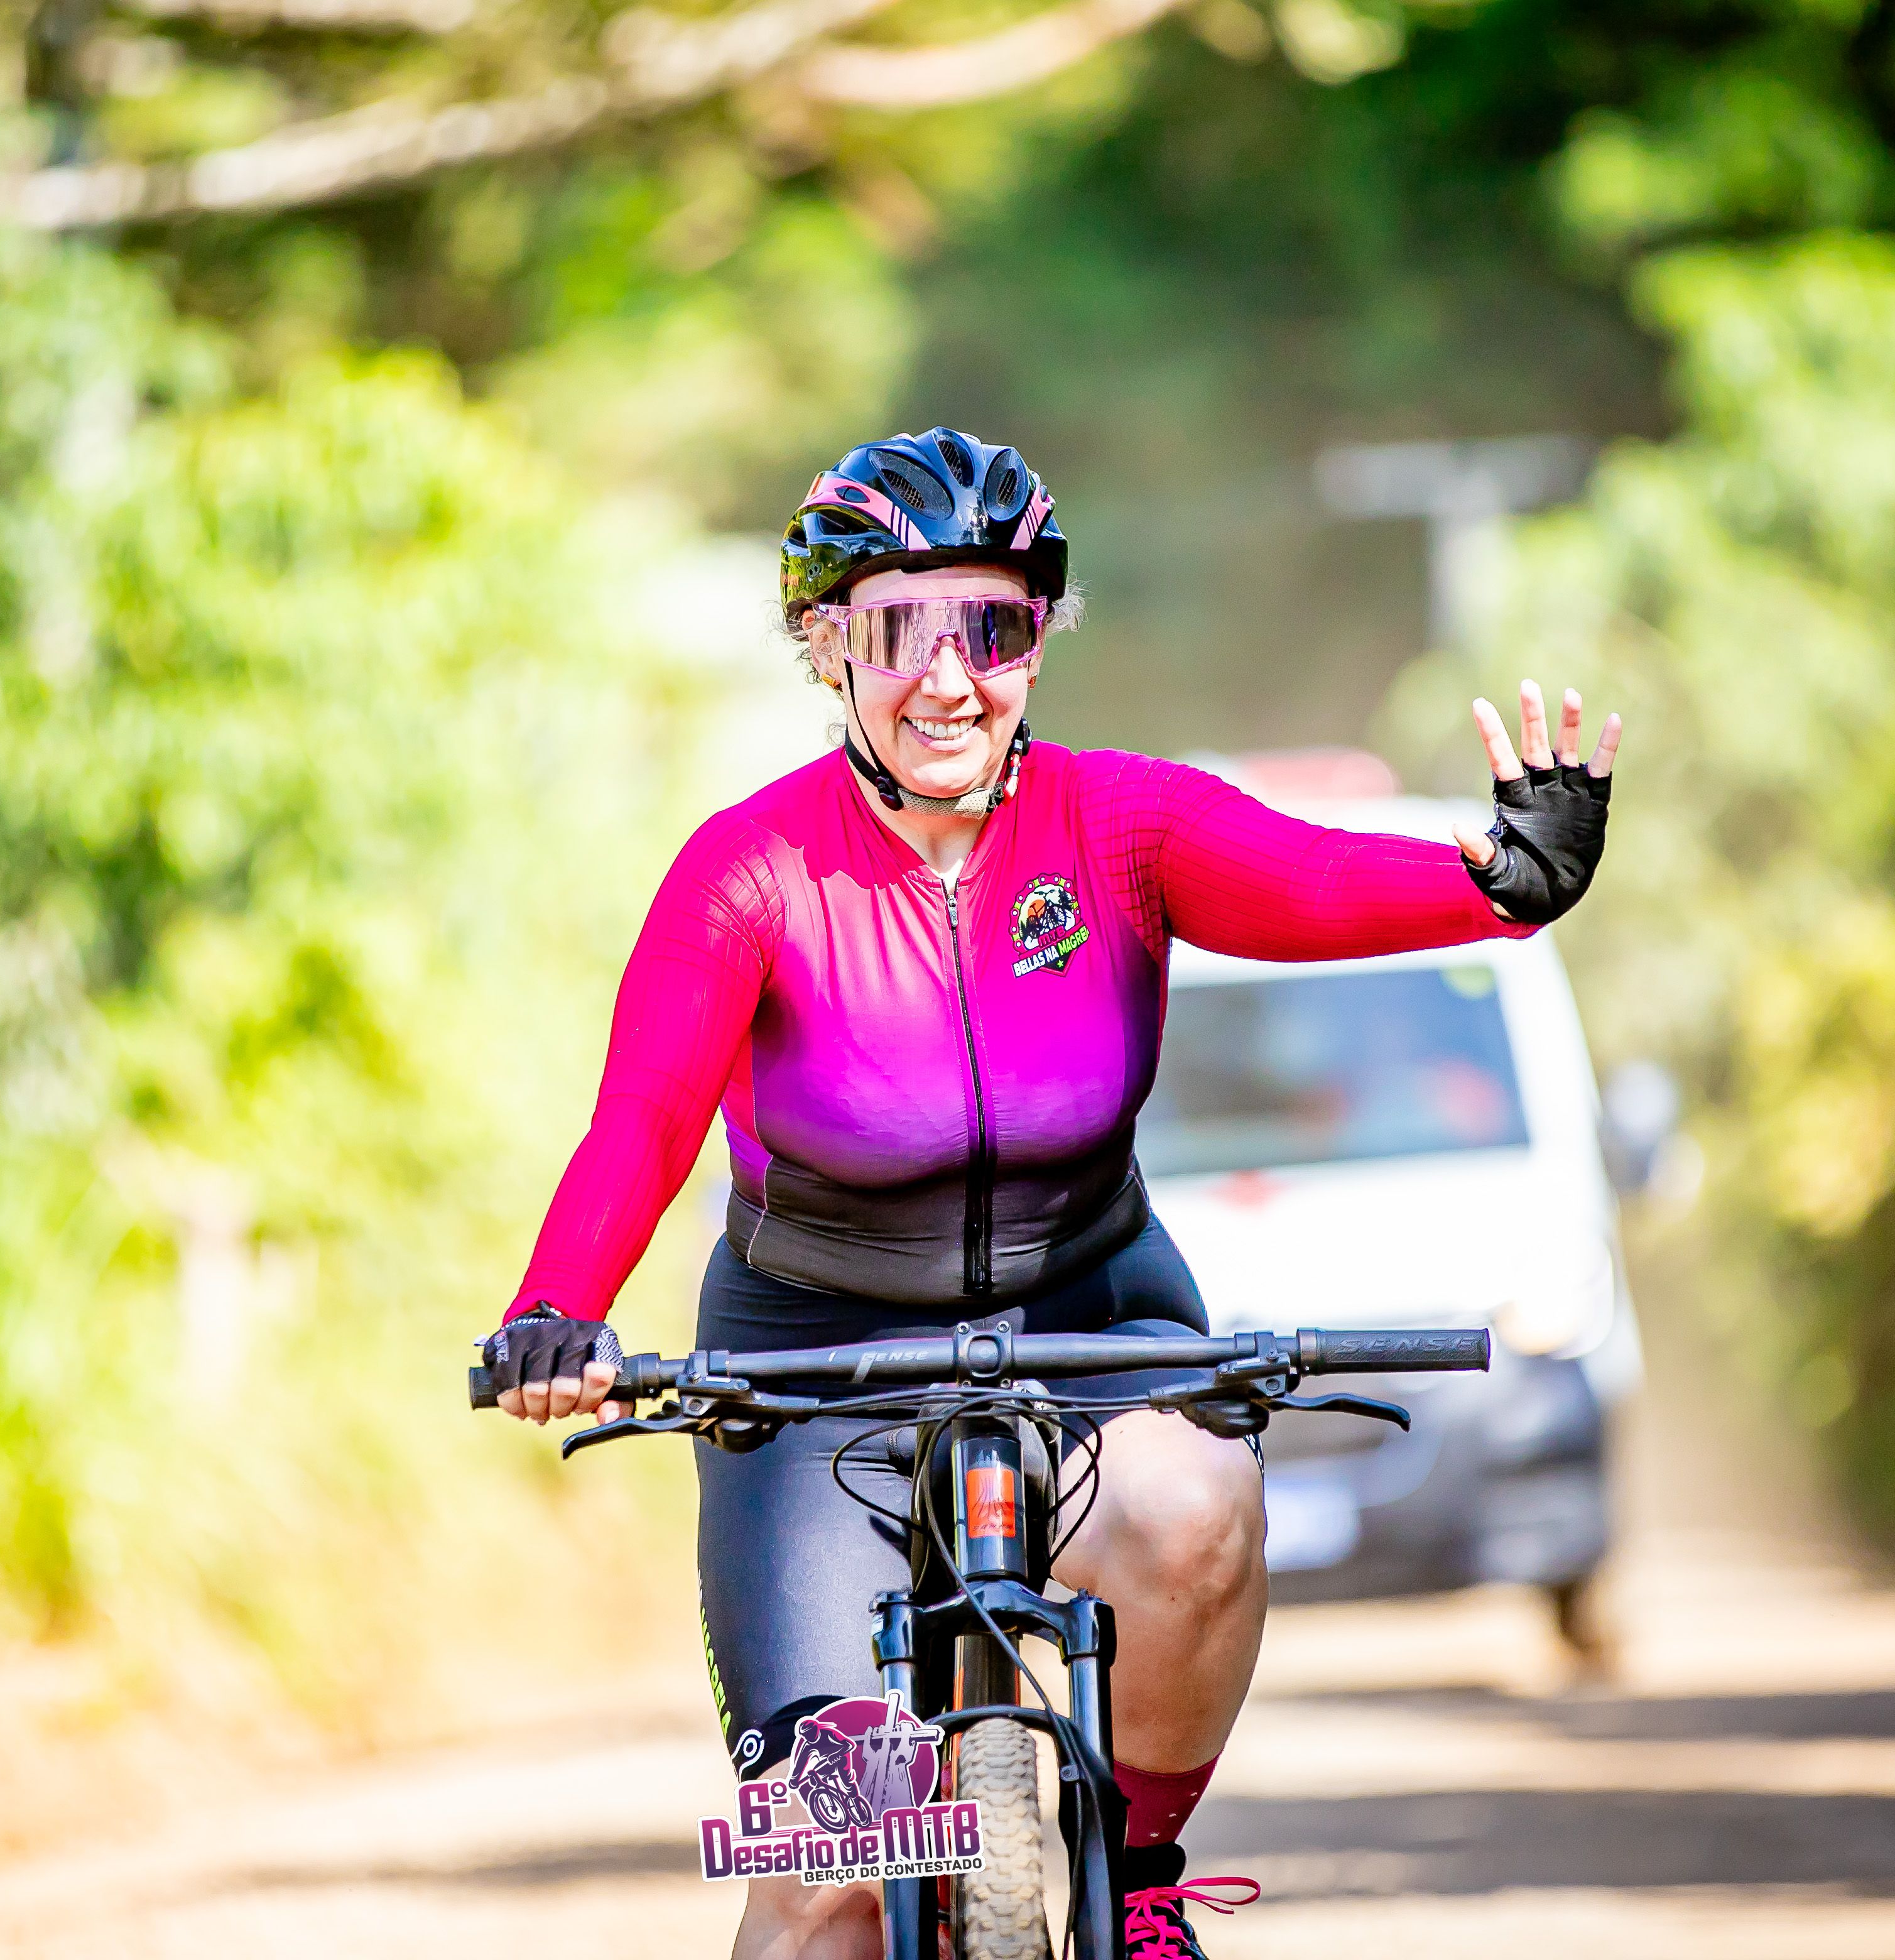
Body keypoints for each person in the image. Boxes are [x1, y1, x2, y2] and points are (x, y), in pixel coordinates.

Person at [482, 428, 1617, 1959]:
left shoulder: (1123, 827)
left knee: (1199, 1504)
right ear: (826, 646)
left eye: (995, 628)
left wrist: (1501, 882)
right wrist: (556, 1310)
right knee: (828, 1888)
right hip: (814, 1371)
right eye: (901, 629)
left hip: (1092, 1317)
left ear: (1039, 642)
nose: (950, 679)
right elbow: (641, 1124)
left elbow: (1310, 880)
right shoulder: (749, 873)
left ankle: (1142, 1880)